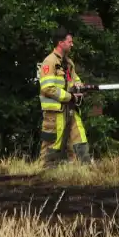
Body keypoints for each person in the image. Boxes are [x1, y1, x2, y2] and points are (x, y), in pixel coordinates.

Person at [37, 27, 93, 166]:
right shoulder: (49, 62)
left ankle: (83, 171)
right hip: (54, 114)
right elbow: (47, 88)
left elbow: (75, 80)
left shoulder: (68, 63)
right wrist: (70, 97)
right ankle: (43, 175)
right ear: (61, 42)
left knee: (79, 138)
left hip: (70, 110)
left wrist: (81, 88)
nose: (72, 44)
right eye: (69, 41)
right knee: (52, 145)